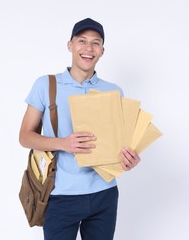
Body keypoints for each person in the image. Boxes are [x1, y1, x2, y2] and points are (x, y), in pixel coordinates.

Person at [19, 18, 141, 240]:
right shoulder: (46, 85)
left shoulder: (114, 91)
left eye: (95, 43)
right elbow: (25, 136)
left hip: (104, 194)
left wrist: (128, 159)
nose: (88, 48)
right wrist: (63, 143)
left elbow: (119, 143)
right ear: (70, 45)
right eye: (82, 41)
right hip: (60, 195)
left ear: (102, 51)